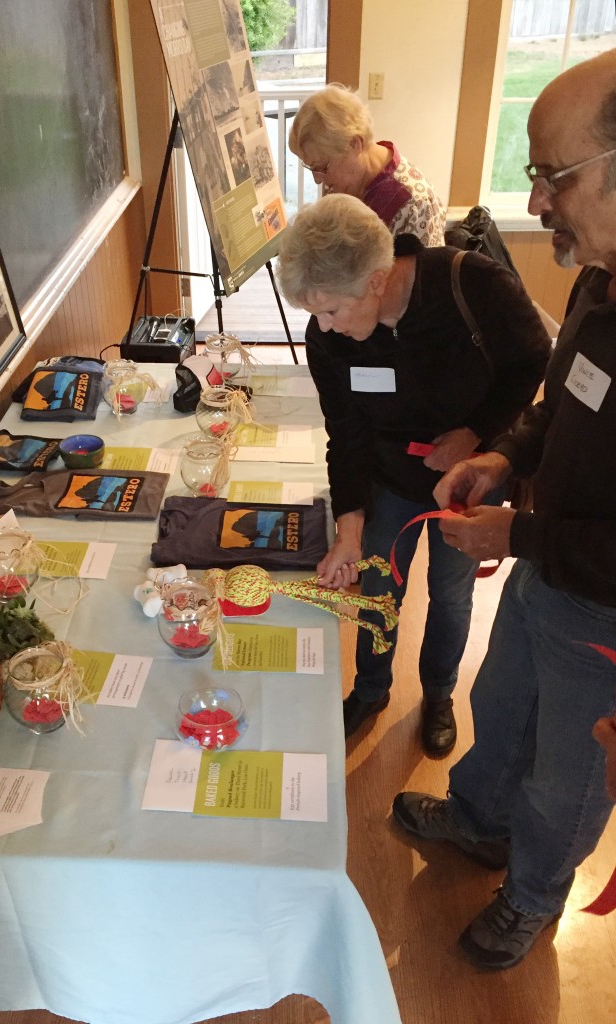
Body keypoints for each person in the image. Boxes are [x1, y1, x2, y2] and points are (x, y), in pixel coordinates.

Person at [392, 49, 616, 970]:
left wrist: (514, 530)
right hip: (544, 575)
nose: (533, 204)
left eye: (550, 177)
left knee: (567, 777)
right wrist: (501, 456)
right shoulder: (599, 283)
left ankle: (530, 897)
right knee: (498, 696)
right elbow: (556, 409)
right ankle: (481, 822)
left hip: (601, 613)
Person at [276, 193, 550, 755]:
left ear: (376, 281)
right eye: (314, 315)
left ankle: (439, 694)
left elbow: (531, 361)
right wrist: (349, 527)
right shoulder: (330, 339)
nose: (324, 327)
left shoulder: (473, 285)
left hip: (472, 473)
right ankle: (372, 687)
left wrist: (476, 433)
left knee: (450, 594)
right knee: (379, 586)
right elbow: (345, 431)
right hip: (388, 474)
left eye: (331, 310)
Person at [289, 83, 446, 246]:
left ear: (354, 144)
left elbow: (423, 271)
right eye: (312, 168)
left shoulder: (415, 204)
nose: (318, 180)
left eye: (322, 167)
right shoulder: (345, 183)